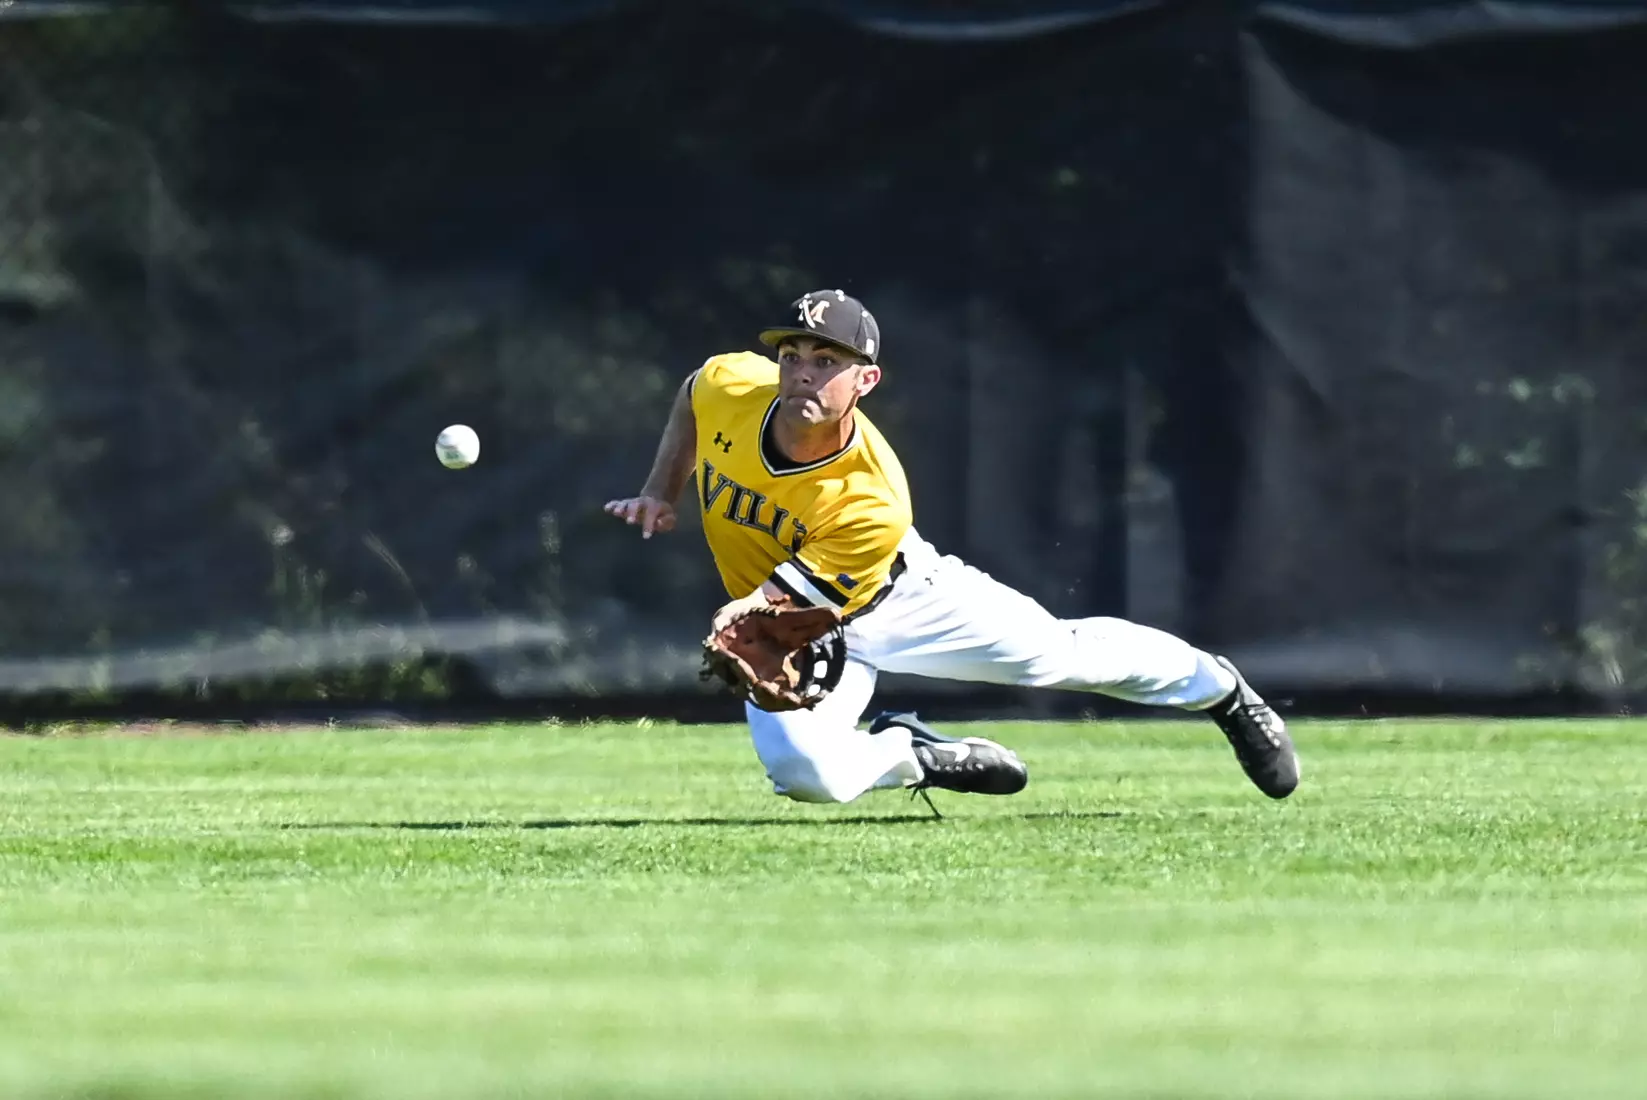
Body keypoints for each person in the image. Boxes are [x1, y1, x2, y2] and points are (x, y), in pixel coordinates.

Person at [603, 289, 1299, 808]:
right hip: (799, 620)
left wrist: (739, 619)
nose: (802, 372)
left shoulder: (869, 497)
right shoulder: (732, 385)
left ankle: (1221, 691)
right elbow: (693, 396)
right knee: (806, 777)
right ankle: (915, 753)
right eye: (791, 356)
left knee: (1058, 656)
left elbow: (781, 607)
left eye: (825, 360)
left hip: (899, 599)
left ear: (864, 381)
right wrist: (660, 490)